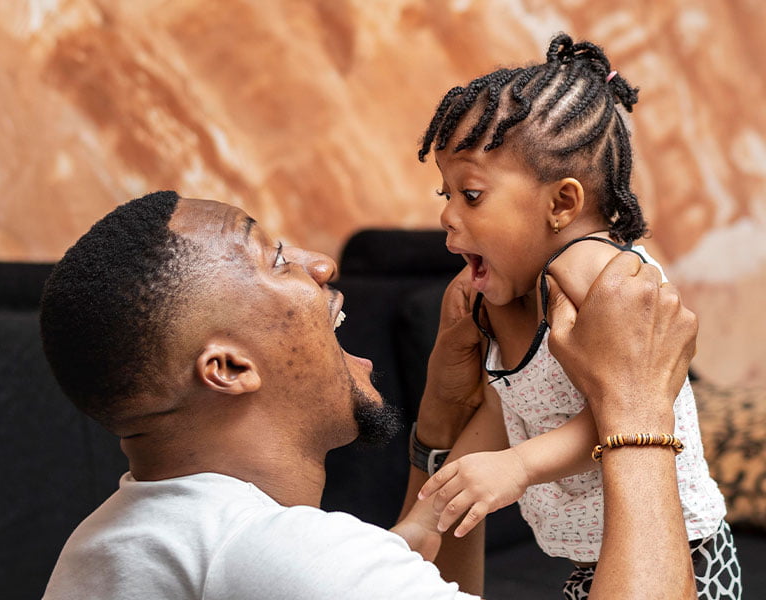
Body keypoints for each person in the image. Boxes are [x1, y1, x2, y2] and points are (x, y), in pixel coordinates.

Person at [40, 190, 699, 599]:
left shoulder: (116, 542)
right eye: (276, 261)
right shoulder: (268, 554)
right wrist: (638, 404)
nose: (321, 264)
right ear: (229, 368)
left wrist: (440, 430)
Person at [408, 33, 740, 599]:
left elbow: (628, 408)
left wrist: (518, 467)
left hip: (683, 555)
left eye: (470, 194)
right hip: (595, 561)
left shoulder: (604, 276)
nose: (445, 215)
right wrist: (427, 514)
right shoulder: (500, 297)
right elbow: (504, 408)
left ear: (562, 204)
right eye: (445, 193)